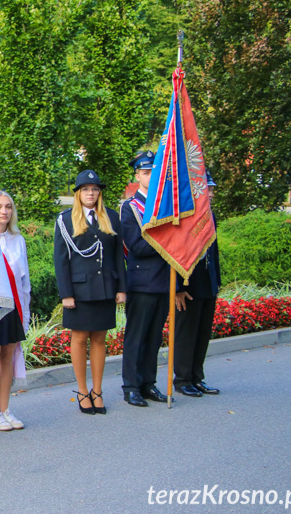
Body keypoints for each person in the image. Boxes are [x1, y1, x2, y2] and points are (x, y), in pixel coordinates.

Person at [54, 171, 126, 415]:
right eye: (85, 189)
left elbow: (118, 257)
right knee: (80, 338)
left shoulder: (112, 218)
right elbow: (61, 260)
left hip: (105, 288)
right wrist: (66, 294)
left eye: (94, 189)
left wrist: (121, 289)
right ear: (78, 193)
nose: (91, 193)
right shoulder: (65, 220)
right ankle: (83, 391)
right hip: (79, 290)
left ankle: (98, 391)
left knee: (99, 339)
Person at [120, 151, 170, 407]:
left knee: (154, 337)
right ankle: (131, 386)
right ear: (137, 175)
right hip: (141, 283)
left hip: (164, 281)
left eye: (154, 171)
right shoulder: (130, 208)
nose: (150, 176)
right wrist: (166, 237)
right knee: (137, 336)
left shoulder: (167, 206)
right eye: (146, 172)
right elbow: (137, 246)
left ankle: (148, 384)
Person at [0, 191, 31, 430]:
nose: (4, 211)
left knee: (8, 358)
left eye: (8, 207)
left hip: (13, 307)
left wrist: (26, 314)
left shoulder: (17, 240)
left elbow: (25, 281)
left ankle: (5, 408)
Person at [174, 170, 221, 397]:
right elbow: (174, 253)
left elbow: (214, 253)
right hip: (188, 285)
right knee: (187, 332)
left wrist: (216, 283)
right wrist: (177, 289)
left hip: (207, 283)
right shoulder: (185, 216)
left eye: (212, 189)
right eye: (208, 189)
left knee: (202, 333)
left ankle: (196, 377)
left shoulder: (210, 215)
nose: (211, 193)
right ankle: (182, 380)